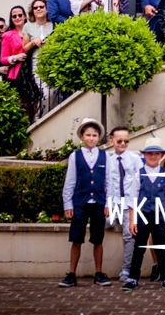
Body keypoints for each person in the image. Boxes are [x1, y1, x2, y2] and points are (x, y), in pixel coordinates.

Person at [59, 119, 112, 288]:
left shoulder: (105, 156)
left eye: (94, 135)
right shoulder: (75, 156)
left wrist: (108, 204)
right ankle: (71, 273)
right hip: (80, 203)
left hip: (98, 202)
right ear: (82, 136)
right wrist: (68, 204)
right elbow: (70, 181)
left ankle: (99, 272)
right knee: (76, 239)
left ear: (99, 138)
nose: (91, 138)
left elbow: (109, 182)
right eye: (88, 135)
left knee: (98, 239)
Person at [123, 137, 165, 291]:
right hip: (142, 215)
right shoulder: (138, 174)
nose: (153, 157)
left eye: (156, 154)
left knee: (161, 247)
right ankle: (133, 277)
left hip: (160, 216)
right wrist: (132, 220)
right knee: (139, 248)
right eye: (149, 154)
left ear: (161, 155)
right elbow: (133, 199)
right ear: (144, 155)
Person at [106, 126, 142, 282]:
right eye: (119, 141)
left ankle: (126, 269)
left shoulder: (135, 159)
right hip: (113, 202)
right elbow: (106, 183)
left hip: (128, 202)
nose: (122, 144)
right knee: (105, 224)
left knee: (129, 235)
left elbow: (140, 182)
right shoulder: (107, 159)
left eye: (126, 141)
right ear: (111, 141)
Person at [0, 5, 38, 121]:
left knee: (36, 102)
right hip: (19, 72)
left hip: (34, 67)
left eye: (20, 15)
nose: (17, 18)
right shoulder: (8, 35)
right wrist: (15, 57)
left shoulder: (34, 30)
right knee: (23, 105)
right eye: (14, 16)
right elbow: (3, 59)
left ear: (25, 16)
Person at [24, 0, 54, 117]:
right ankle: (41, 117)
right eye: (35, 8)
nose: (38, 9)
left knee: (54, 91)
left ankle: (44, 117)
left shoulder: (53, 24)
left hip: (52, 60)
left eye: (41, 7)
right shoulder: (28, 26)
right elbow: (25, 48)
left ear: (47, 9)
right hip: (37, 61)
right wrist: (33, 42)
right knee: (45, 92)